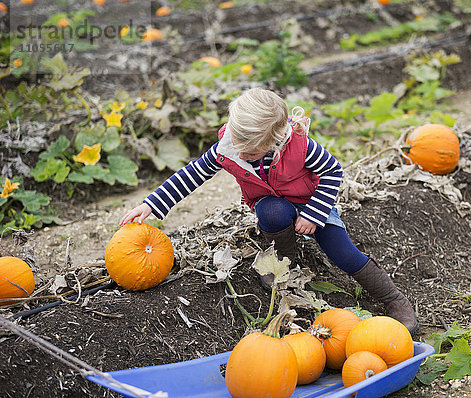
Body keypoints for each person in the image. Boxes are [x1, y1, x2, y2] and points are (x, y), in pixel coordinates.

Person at [120, 88, 418, 334]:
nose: (241, 153)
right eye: (237, 144)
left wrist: (314, 213)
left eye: (250, 151)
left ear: (276, 139)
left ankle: (393, 299)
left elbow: (332, 171)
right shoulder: (228, 147)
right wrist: (151, 204)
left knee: (343, 252)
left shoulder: (300, 145)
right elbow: (191, 176)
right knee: (271, 213)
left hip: (313, 201)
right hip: (272, 204)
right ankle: (285, 260)